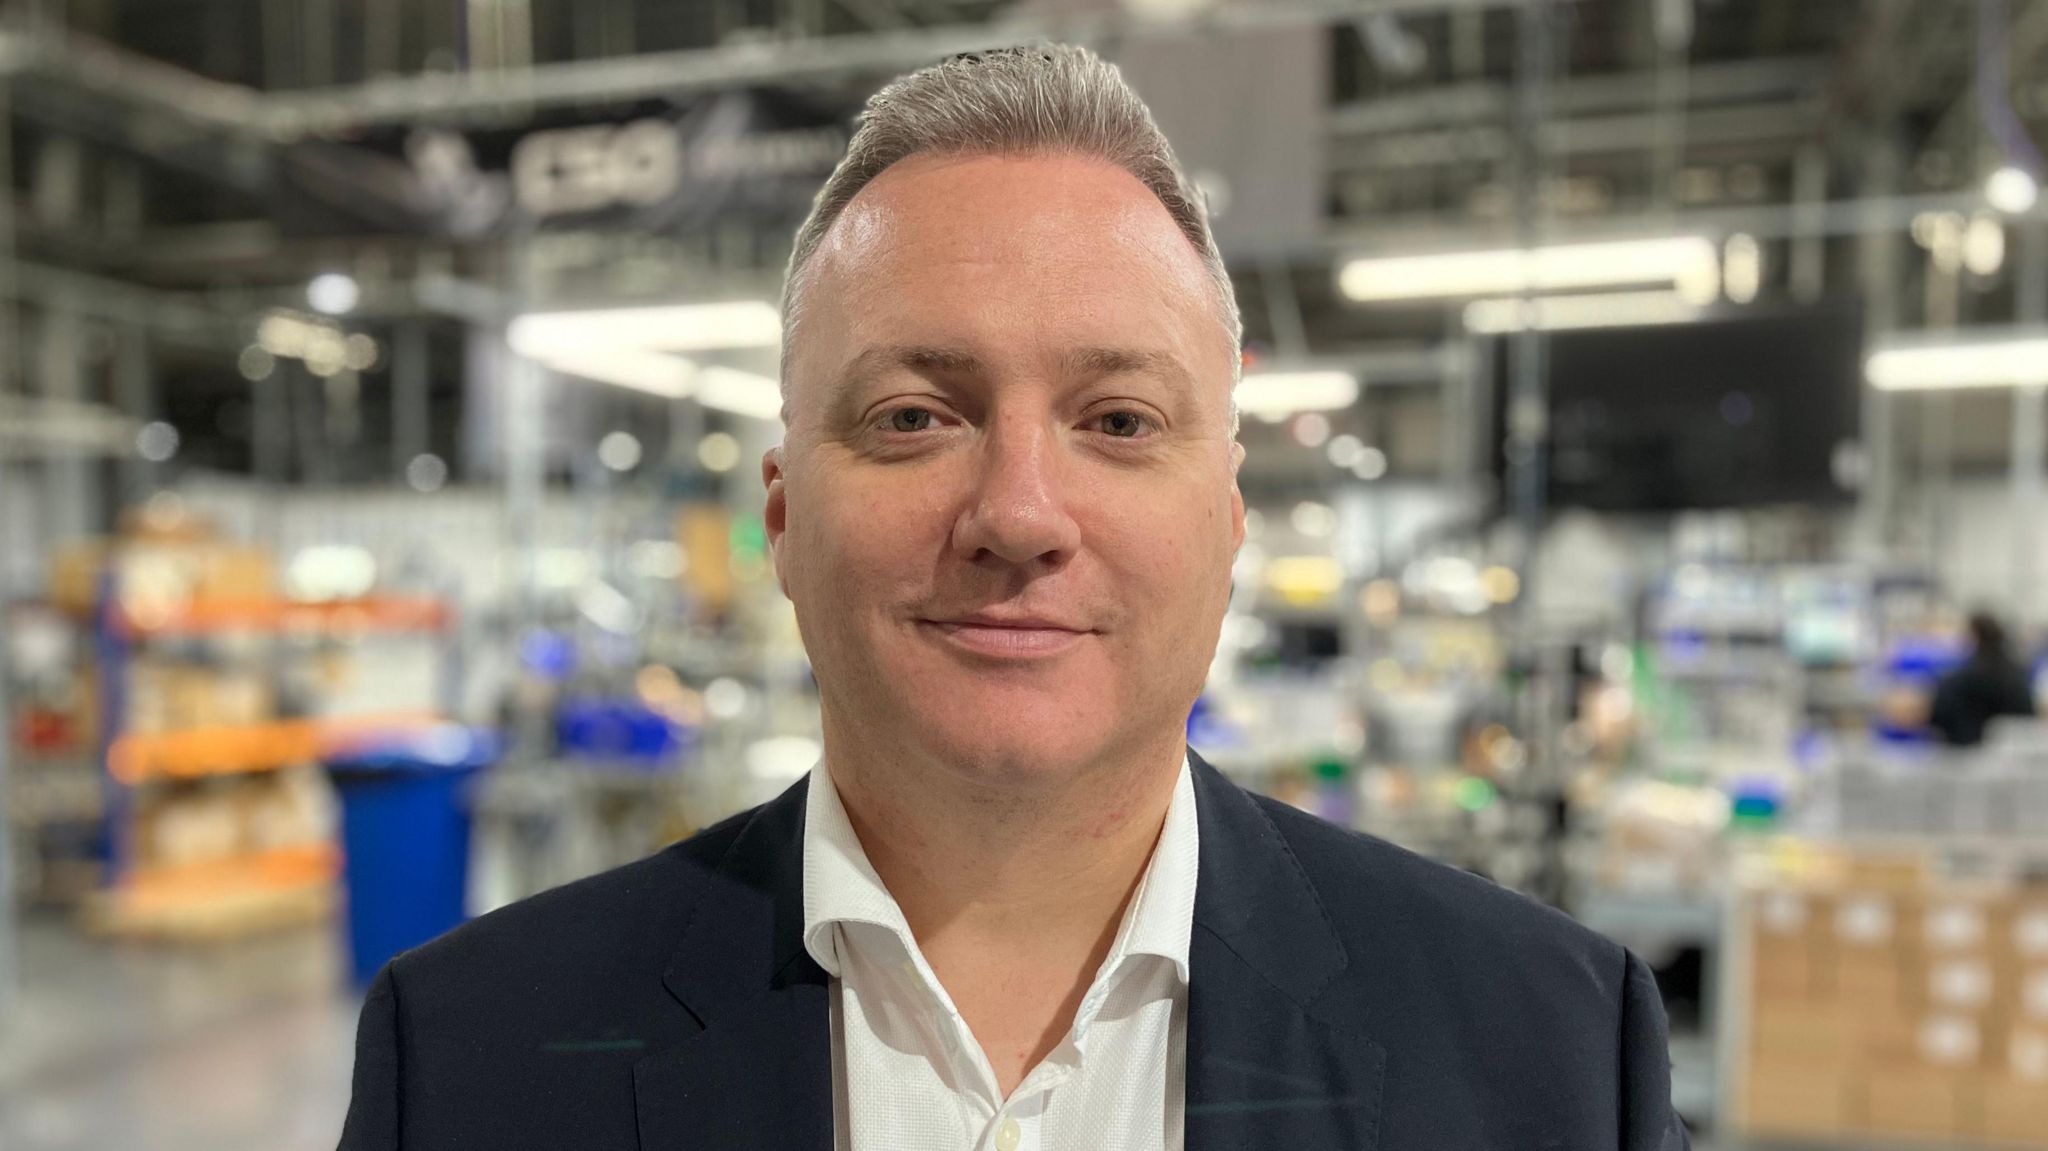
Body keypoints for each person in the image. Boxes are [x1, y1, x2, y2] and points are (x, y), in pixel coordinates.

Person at [339, 45, 1687, 1151]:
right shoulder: (469, 1060)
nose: (1020, 514)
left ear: (1226, 525)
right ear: (784, 518)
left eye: (1117, 418)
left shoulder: (1553, 1051)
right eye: (916, 415)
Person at [1929, 611, 2038, 747]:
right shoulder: (2018, 672)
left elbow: (1940, 715)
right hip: (2015, 756)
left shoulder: (1960, 679)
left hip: (1964, 757)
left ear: (1974, 635)